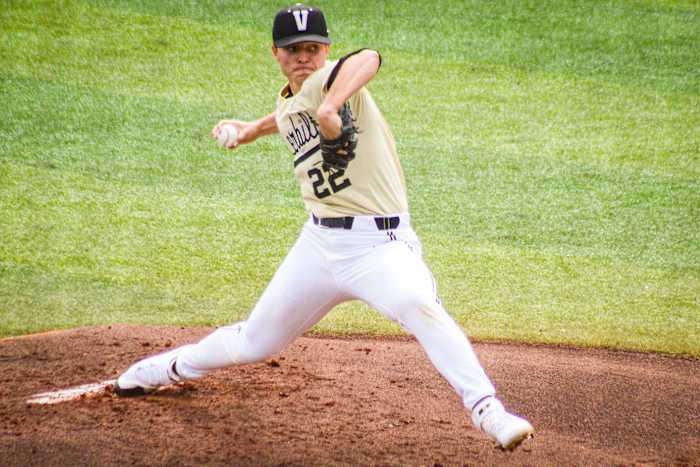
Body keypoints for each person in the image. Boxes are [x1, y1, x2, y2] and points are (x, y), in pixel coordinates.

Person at [114, 3, 534, 450]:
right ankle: (169, 367)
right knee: (255, 343)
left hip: (379, 247)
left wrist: (332, 106)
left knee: (417, 303)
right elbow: (291, 114)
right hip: (318, 245)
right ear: (275, 52)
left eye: (313, 48)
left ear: (327, 50)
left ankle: (488, 411)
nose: (304, 57)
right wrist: (251, 129)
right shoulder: (291, 97)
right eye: (293, 49)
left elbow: (368, 57)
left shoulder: (334, 79)